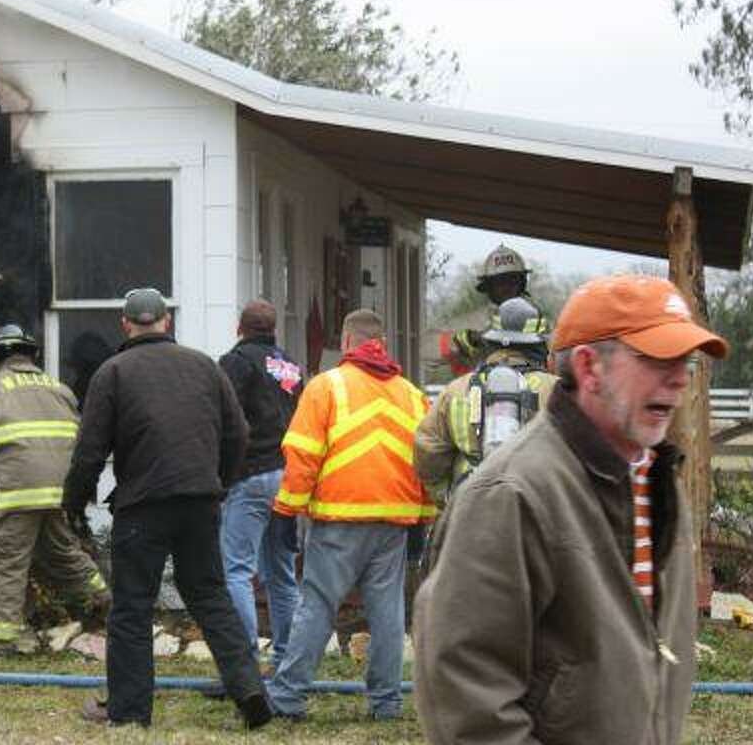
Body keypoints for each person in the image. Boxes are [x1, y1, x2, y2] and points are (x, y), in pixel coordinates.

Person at [413, 275, 728, 745]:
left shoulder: (658, 482)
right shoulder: (510, 496)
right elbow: (468, 696)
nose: (679, 377)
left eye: (684, 360)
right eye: (656, 358)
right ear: (589, 367)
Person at [62, 287, 272, 730]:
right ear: (166, 322)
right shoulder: (205, 367)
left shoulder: (112, 372)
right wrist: (219, 483)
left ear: (125, 324)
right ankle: (250, 690)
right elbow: (239, 434)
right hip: (201, 501)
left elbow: (89, 452)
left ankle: (129, 711)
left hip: (143, 507)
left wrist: (73, 503)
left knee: (132, 608)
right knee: (211, 597)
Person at [266, 309, 435, 722]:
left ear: (345, 342)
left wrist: (285, 511)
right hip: (393, 521)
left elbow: (304, 456)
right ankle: (387, 703)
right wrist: (422, 517)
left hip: (340, 518)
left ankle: (287, 697)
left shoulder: (326, 387)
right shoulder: (412, 395)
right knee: (388, 612)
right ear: (382, 344)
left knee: (317, 606)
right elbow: (427, 462)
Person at [0, 324, 109, 656]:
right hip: (57, 491)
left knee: (6, 563)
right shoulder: (60, 389)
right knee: (62, 553)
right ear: (31, 355)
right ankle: (111, 602)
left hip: (15, 493)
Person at [217, 299, 303, 669]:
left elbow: (223, 419)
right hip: (287, 476)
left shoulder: (235, 363)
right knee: (281, 573)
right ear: (273, 330)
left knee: (237, 570)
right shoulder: (292, 368)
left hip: (250, 475)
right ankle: (287, 659)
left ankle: (244, 664)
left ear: (240, 328)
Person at [415, 296, 558, 500]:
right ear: (539, 344)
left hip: (469, 508)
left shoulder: (455, 391)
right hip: (536, 509)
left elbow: (427, 455)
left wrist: (445, 497)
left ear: (491, 341)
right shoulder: (556, 390)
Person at [447, 244, 549, 373]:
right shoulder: (474, 318)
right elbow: (451, 349)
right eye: (500, 282)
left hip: (529, 380)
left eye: (512, 280)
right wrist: (470, 340)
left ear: (522, 283)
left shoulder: (534, 314)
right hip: (486, 383)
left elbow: (547, 347)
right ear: (489, 287)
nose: (507, 287)